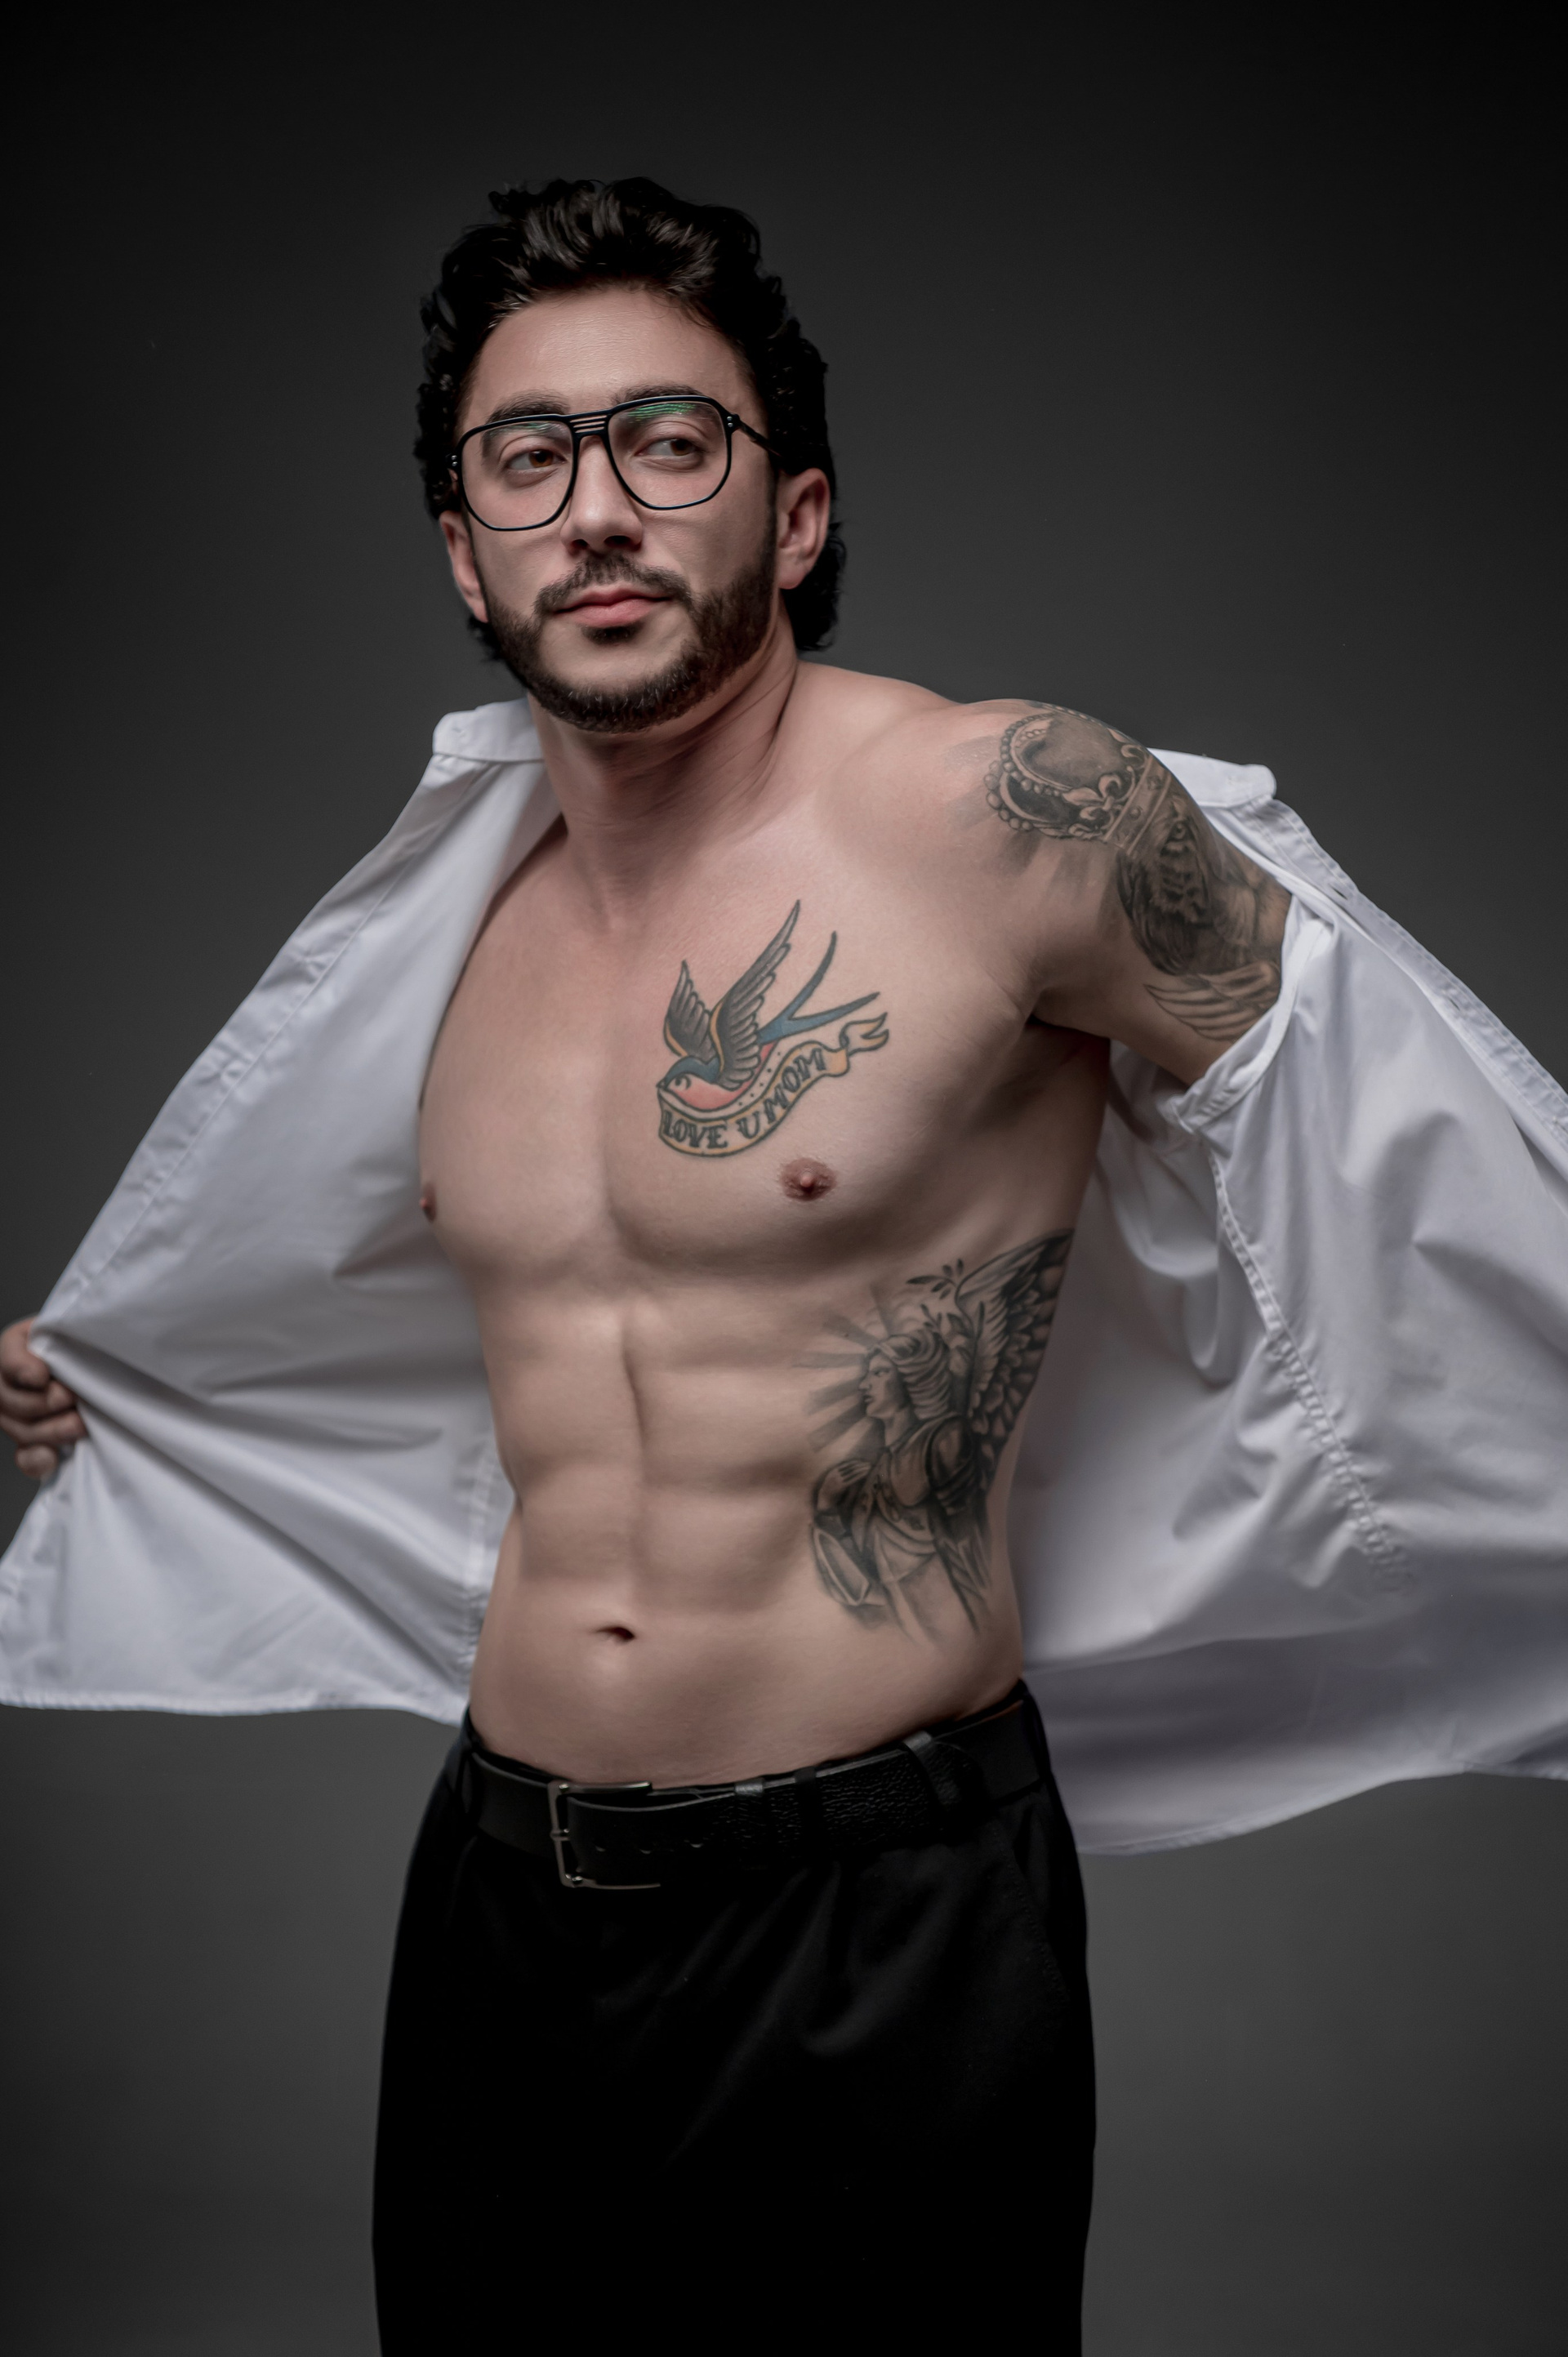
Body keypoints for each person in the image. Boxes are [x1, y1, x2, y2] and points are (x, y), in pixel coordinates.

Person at [3, 179, 1566, 2347]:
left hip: (883, 1919)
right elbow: (357, 1320)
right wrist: (132, 1384)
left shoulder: (1016, 818)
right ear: (464, 550)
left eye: (670, 442)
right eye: (528, 458)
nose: (597, 510)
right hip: (505, 1906)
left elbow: (1394, 1142)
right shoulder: (438, 934)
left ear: (797, 514)